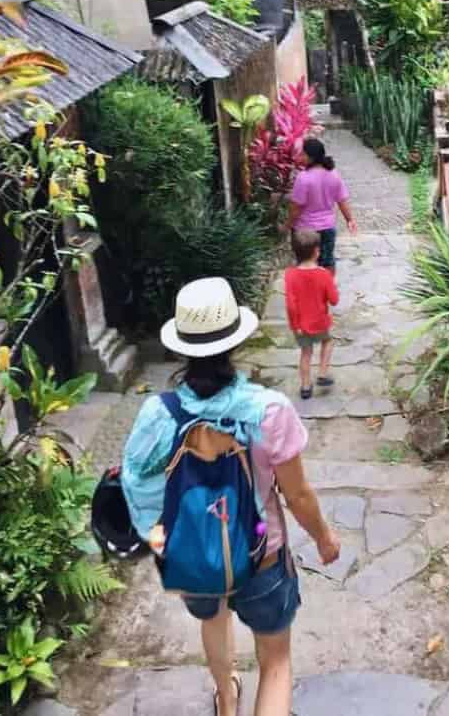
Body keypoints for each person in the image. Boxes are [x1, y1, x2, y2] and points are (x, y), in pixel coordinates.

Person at [121, 278, 341, 716]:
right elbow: (296, 494)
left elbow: (137, 481)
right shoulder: (269, 409)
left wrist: (159, 539)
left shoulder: (157, 414)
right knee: (276, 660)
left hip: (194, 555)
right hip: (262, 553)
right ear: (235, 341)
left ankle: (226, 697)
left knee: (212, 618)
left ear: (182, 346)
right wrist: (323, 537)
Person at [280, 137, 357, 273]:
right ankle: (327, 289)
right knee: (327, 262)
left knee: (305, 264)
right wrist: (349, 219)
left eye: (303, 154)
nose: (300, 157)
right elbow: (342, 200)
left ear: (311, 157)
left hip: (305, 232)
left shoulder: (303, 178)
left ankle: (308, 291)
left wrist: (287, 225)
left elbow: (295, 208)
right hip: (327, 228)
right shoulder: (334, 175)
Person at [285, 230, 339, 399]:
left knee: (306, 353)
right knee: (328, 342)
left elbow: (291, 305)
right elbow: (334, 300)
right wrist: (331, 285)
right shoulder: (324, 274)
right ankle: (322, 373)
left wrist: (296, 325)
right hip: (320, 322)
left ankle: (306, 387)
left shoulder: (290, 275)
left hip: (301, 325)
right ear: (317, 252)